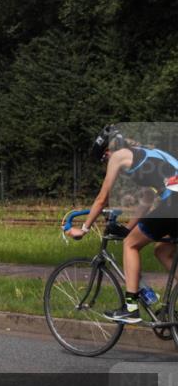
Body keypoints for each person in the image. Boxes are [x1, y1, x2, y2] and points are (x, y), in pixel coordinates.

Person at [68, 125, 178, 322]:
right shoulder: (146, 153)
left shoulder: (118, 156)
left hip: (174, 202)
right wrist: (128, 228)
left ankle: (131, 307)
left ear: (108, 151)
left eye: (103, 159)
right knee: (162, 251)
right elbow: (147, 200)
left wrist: (84, 229)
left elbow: (102, 198)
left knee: (130, 245)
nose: (106, 163)